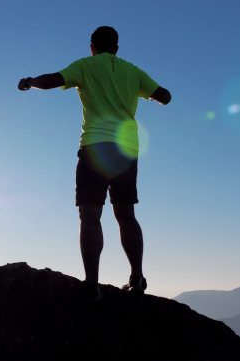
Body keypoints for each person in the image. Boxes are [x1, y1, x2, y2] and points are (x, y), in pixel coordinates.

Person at [18, 26, 171, 299]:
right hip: (126, 150)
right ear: (117, 48)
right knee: (126, 215)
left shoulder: (86, 66)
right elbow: (165, 96)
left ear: (92, 46)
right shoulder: (133, 71)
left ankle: (91, 284)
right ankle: (137, 278)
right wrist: (144, 93)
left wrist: (29, 81)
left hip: (95, 147)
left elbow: (53, 79)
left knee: (90, 215)